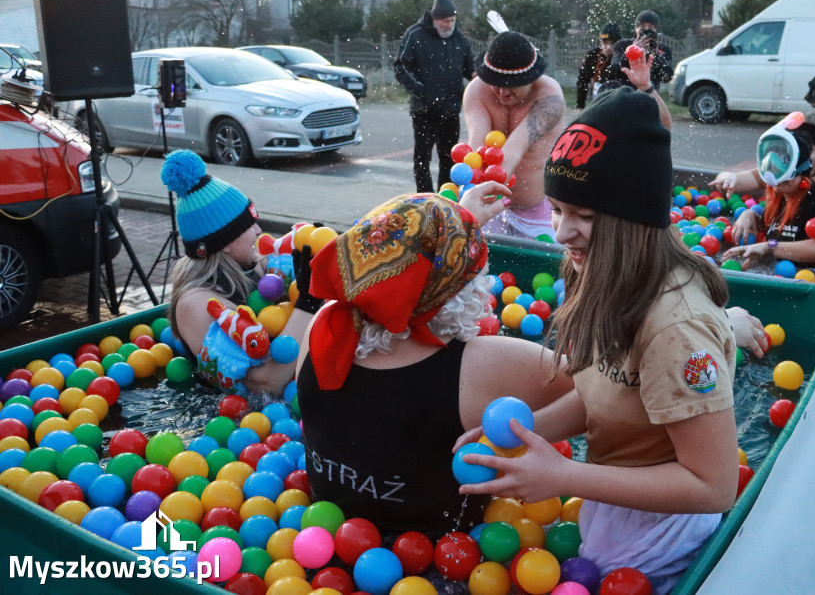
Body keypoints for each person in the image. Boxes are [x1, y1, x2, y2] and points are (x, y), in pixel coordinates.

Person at [457, 87, 738, 595]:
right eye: (558, 209)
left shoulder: (675, 329)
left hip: (661, 530)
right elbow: (602, 393)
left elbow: (713, 486)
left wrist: (565, 476)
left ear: (635, 219)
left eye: (583, 216)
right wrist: (520, 438)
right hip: (614, 494)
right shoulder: (601, 272)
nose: (562, 233)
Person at [294, 183, 575, 536]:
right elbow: (603, 392)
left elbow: (407, 250)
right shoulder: (487, 363)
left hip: (324, 537)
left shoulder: (323, 325)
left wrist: (457, 216)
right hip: (449, 562)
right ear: (465, 285)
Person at [164, 150, 316, 395]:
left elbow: (289, 270)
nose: (258, 230)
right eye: (248, 225)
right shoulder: (195, 304)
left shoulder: (252, 263)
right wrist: (309, 303)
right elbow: (266, 383)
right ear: (224, 242)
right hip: (229, 417)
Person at [462, 31, 565, 239]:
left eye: (511, 85)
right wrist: (465, 210)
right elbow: (478, 158)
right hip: (489, 209)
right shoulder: (477, 90)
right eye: (495, 82)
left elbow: (511, 154)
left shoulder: (550, 98)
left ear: (532, 79)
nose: (502, 93)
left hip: (540, 214)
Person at [711, 112, 815, 241]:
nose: (802, 157)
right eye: (795, 150)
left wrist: (805, 233)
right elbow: (736, 180)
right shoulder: (779, 172)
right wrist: (749, 212)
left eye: (811, 150)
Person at [721, 117, 815, 271]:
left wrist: (770, 247)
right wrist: (751, 215)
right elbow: (780, 234)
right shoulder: (780, 197)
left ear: (801, 173)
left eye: (783, 176)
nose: (775, 182)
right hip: (782, 274)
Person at [393, 0, 475, 193]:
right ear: (435, 19)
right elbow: (401, 66)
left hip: (450, 110)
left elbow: (470, 69)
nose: (449, 25)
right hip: (424, 111)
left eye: (452, 20)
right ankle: (425, 198)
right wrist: (422, 92)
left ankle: (446, 198)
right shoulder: (416, 34)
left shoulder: (459, 39)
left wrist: (479, 77)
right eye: (445, 20)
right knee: (423, 159)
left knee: (449, 158)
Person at [605, 10, 674, 92]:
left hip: (649, 95)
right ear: (636, 29)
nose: (646, 30)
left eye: (650, 28)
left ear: (656, 31)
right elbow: (614, 70)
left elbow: (667, 77)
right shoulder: (623, 45)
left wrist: (657, 55)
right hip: (625, 92)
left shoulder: (663, 50)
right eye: (642, 27)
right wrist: (632, 50)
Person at [575, 22, 621, 109]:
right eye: (605, 43)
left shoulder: (621, 57)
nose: (608, 47)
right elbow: (582, 82)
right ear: (600, 42)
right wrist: (580, 106)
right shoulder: (593, 55)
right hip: (596, 100)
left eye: (612, 43)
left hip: (617, 101)